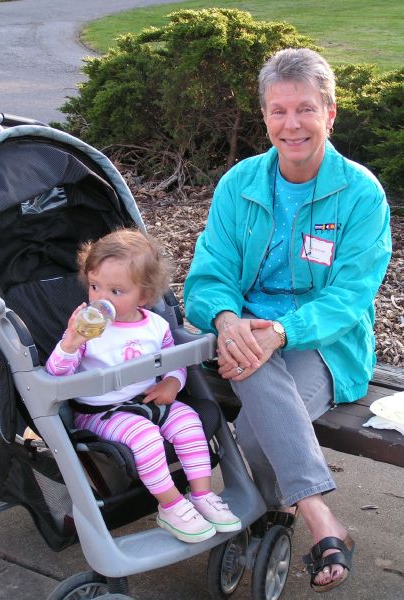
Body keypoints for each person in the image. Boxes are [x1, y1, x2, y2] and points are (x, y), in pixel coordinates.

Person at [184, 48, 392, 591]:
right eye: (278, 111)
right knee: (250, 368)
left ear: (330, 113)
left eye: (305, 109)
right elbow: (209, 276)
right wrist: (227, 319)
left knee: (255, 428)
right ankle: (318, 515)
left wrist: (280, 332)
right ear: (265, 117)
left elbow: (350, 296)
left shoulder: (361, 194)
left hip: (321, 340)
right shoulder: (240, 184)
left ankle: (269, 513)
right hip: (242, 333)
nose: (291, 124)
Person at [46, 229, 241, 544]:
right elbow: (56, 374)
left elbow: (173, 360)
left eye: (116, 291)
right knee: (147, 437)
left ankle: (202, 494)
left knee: (189, 422)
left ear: (145, 296)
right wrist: (70, 343)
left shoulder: (156, 325)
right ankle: (171, 505)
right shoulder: (89, 329)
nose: (101, 299)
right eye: (95, 287)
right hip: (101, 411)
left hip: (148, 399)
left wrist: (173, 383)